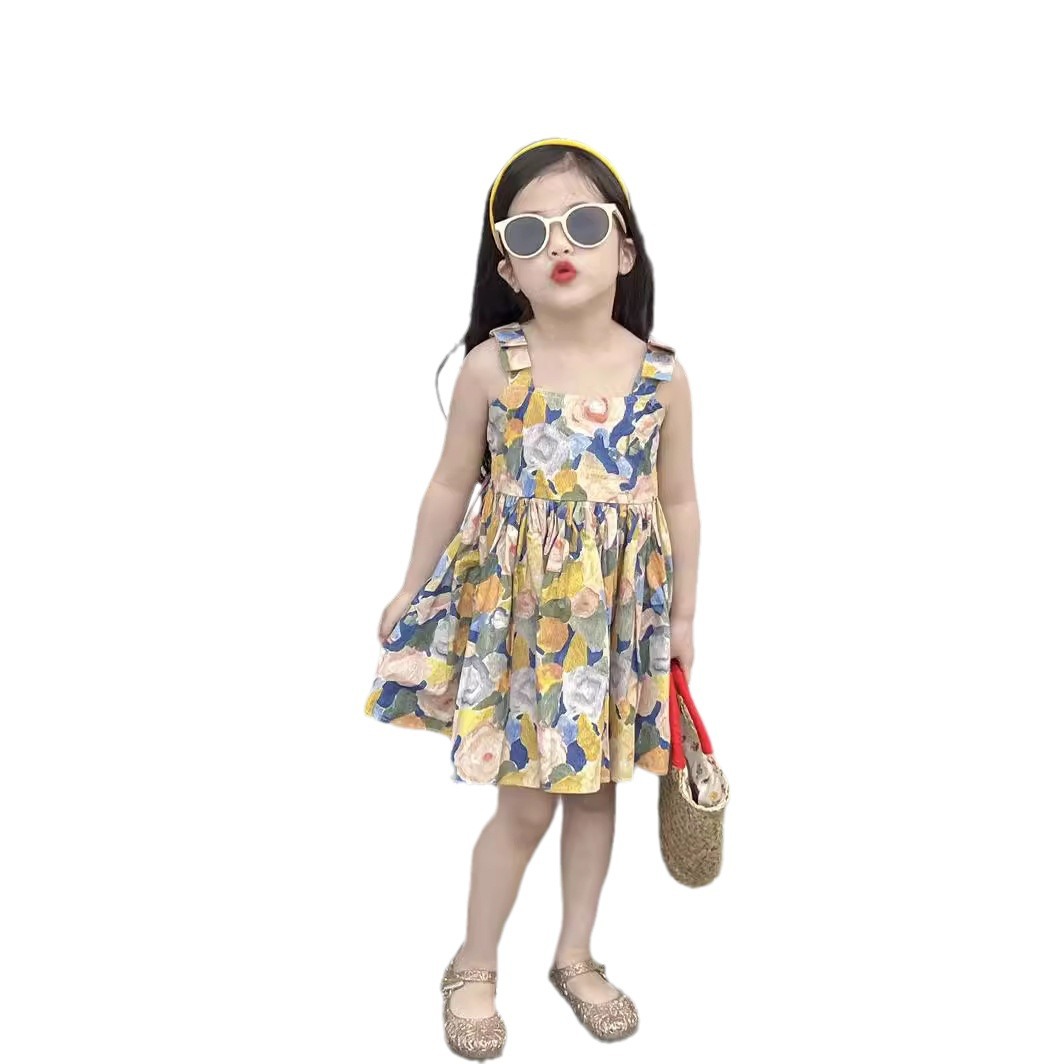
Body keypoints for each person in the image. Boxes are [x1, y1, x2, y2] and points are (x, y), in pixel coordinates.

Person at [362, 137, 700, 1057]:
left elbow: (679, 502)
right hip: (520, 626)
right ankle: (474, 963)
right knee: (524, 804)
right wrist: (410, 583)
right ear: (506, 268)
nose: (561, 244)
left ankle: (576, 954)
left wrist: (682, 619)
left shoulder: (661, 378)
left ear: (624, 249)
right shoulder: (493, 367)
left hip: (616, 623)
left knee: (595, 798)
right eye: (529, 232)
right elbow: (450, 484)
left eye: (584, 224)